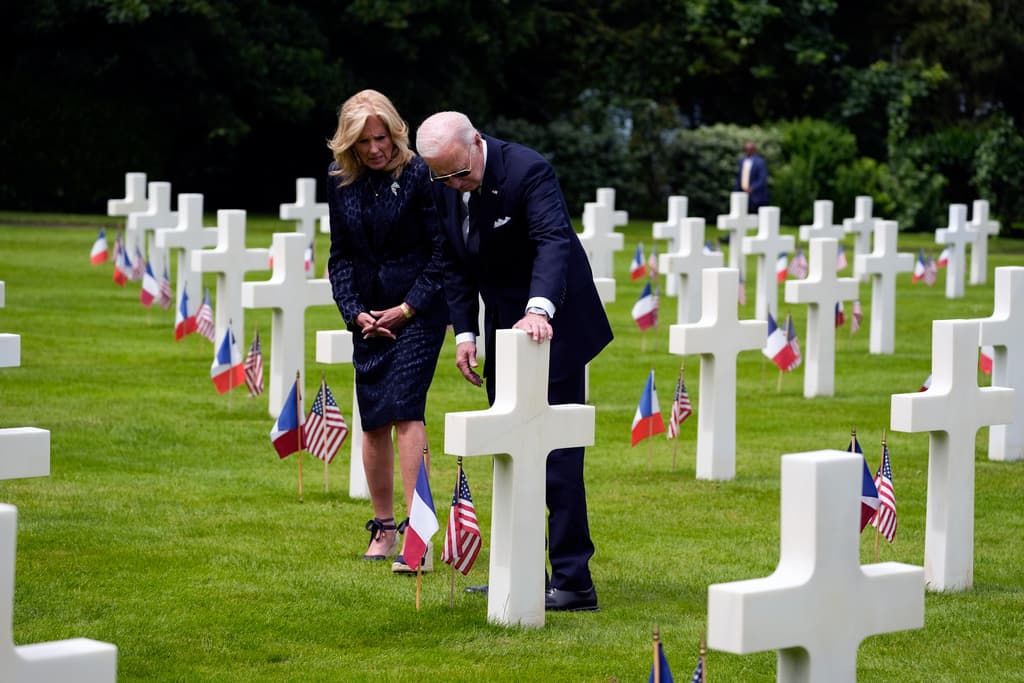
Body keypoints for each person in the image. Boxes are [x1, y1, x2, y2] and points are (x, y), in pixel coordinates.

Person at [415, 111, 613, 612]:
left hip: (555, 320)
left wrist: (537, 309)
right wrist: (464, 332)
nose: (456, 184)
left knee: (557, 458)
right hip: (504, 328)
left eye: (461, 171)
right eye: (444, 176)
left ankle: (573, 581)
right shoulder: (442, 181)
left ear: (477, 142)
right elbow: (453, 262)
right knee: (511, 450)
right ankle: (521, 570)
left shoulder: (527, 170)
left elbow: (553, 243)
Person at [325, 90, 448, 574]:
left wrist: (407, 307)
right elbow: (340, 256)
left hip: (416, 311)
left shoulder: (420, 174)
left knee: (405, 411)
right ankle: (383, 526)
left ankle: (419, 537)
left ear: (396, 130)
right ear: (349, 146)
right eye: (364, 142)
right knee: (373, 419)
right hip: (368, 316)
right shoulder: (340, 182)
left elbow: (442, 251)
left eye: (381, 138)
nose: (375, 149)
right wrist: (355, 312)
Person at [734, 140, 770, 213]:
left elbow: (762, 178)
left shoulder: (760, 162)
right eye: (745, 149)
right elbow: (740, 177)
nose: (747, 151)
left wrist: (752, 188)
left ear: (753, 150)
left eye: (749, 149)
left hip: (756, 196)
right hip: (742, 194)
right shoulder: (742, 161)